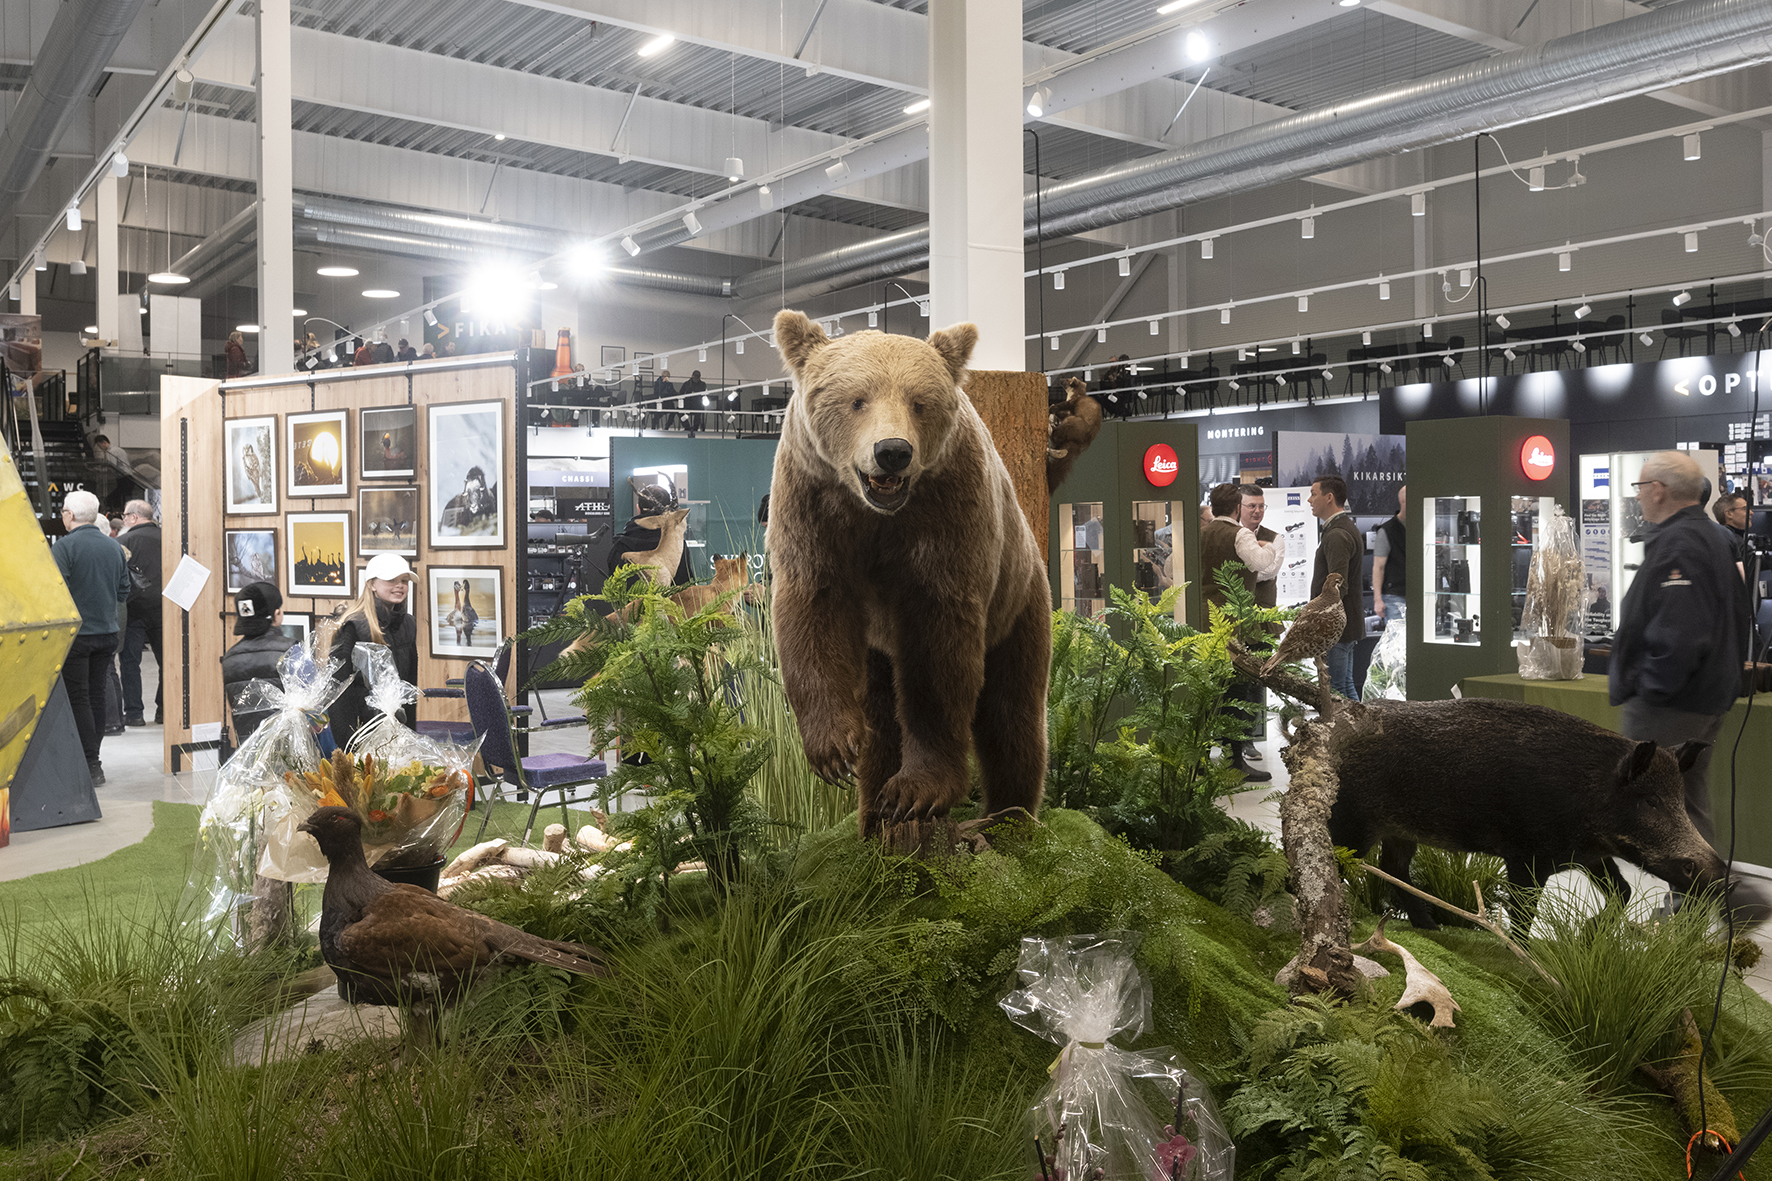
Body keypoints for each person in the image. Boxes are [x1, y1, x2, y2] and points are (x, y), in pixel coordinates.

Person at [1611, 451, 1766, 922]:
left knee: (1651, 806)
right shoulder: (1708, 537)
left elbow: (1680, 632)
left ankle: (1722, 897)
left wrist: (1651, 687)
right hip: (1698, 697)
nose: (1637, 497)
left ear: (1657, 489)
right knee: (1685, 804)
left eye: (1639, 488)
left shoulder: (1681, 543)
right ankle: (1701, 900)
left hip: (1672, 703)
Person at [1202, 482, 1284, 780]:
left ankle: (1199, 758)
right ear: (1237, 508)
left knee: (1207, 690)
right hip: (1233, 623)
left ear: (1212, 507)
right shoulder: (1240, 535)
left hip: (1205, 621)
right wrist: (1270, 546)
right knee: (1235, 690)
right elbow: (1263, 565)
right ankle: (1236, 761)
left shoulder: (1202, 532)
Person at [52, 490, 131, 784]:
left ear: (70, 515)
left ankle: (88, 762)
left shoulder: (64, 548)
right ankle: (94, 762)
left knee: (79, 698)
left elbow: (54, 592)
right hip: (107, 633)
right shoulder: (114, 548)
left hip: (77, 636)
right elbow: (124, 591)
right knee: (96, 695)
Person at [318, 553, 419, 748]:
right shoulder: (353, 626)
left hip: (398, 731)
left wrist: (411, 736)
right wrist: (349, 747)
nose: (400, 586)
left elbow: (410, 687)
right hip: (362, 732)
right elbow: (338, 693)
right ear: (372, 584)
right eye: (391, 580)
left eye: (404, 581)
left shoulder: (408, 624)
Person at [1308, 474, 1365, 700]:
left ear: (1329, 497)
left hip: (1336, 630)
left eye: (1314, 494)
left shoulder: (1337, 535)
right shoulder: (1342, 529)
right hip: (1343, 627)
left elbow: (1337, 586)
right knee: (1345, 686)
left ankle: (1354, 735)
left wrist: (1317, 618)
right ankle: (1363, 734)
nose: (1309, 500)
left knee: (1336, 692)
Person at [222, 581, 297, 744]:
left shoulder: (230, 658)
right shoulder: (291, 649)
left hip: (249, 752)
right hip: (291, 750)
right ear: (277, 613)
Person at [116, 499, 163, 726]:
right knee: (168, 662)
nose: (124, 520)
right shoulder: (170, 539)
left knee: (130, 662)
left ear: (133, 517)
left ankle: (134, 714)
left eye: (125, 516)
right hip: (166, 610)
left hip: (133, 610)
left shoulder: (123, 541)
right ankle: (164, 710)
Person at [607, 484, 691, 586]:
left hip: (631, 602)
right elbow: (686, 585)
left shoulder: (620, 546)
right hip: (672, 601)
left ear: (638, 509)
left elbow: (614, 589)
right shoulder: (679, 546)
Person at [1371, 484, 1408, 623]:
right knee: (1396, 641)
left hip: (1419, 594)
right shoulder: (1387, 530)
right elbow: (1378, 567)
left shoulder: (1423, 527)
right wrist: (1377, 599)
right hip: (1394, 596)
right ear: (1404, 501)